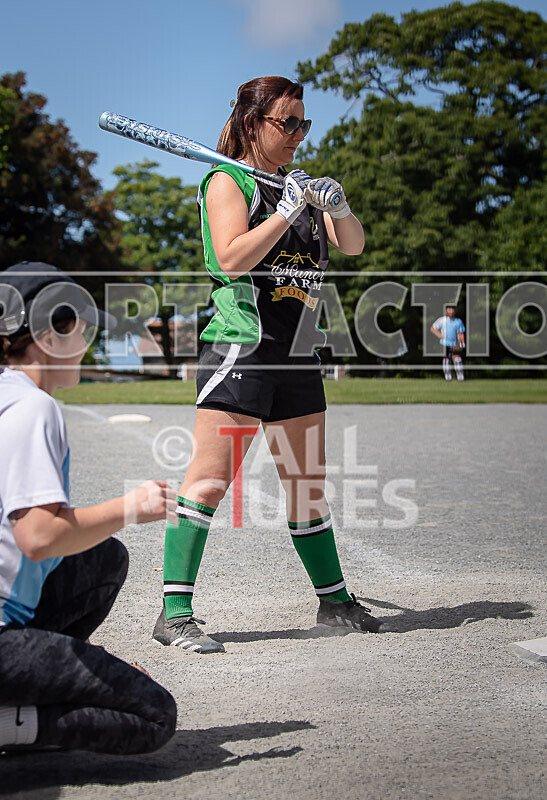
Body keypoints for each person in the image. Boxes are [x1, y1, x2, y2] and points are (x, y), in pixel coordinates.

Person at [153, 75, 383, 655]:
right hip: (244, 347)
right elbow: (229, 259)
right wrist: (282, 212)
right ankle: (174, 612)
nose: (299, 134)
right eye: (288, 123)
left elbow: (352, 244)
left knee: (306, 484)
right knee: (210, 481)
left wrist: (336, 204)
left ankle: (334, 601)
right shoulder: (227, 181)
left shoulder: (295, 188)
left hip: (298, 350)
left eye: (305, 123)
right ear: (253, 123)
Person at [0, 262, 177, 754]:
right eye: (80, 327)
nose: (88, 340)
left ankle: (26, 689)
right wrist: (132, 506)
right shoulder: (32, 408)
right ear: (47, 334)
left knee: (103, 559)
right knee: (152, 714)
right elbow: (38, 538)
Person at [430, 305, 466, 381]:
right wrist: (439, 335)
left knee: (457, 360)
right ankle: (448, 376)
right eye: (449, 309)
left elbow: (460, 334)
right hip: (444, 343)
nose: (450, 311)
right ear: (446, 310)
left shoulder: (458, 321)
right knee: (446, 360)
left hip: (455, 344)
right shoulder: (442, 320)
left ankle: (460, 376)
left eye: (452, 309)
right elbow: (433, 328)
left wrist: (462, 343)